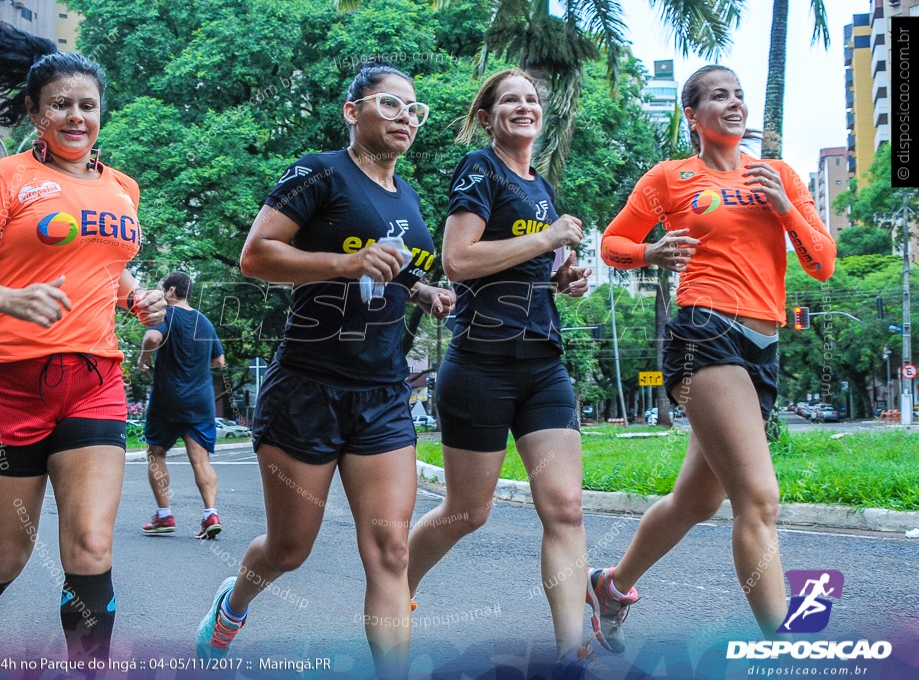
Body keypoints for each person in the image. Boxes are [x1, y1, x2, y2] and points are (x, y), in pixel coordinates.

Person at [194, 57, 454, 680]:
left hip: (383, 393)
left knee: (391, 553)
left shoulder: (407, 195)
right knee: (289, 549)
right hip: (307, 389)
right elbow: (256, 256)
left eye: (414, 109)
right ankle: (233, 604)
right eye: (390, 104)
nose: (406, 118)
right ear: (353, 111)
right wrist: (345, 265)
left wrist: (421, 290)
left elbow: (395, 263)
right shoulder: (320, 172)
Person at [0, 20, 165, 678]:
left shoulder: (123, 188)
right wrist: (7, 297)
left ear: (100, 114)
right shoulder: (5, 177)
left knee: (89, 544)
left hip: (94, 380)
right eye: (60, 104)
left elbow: (108, 265)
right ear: (34, 112)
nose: (76, 115)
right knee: (9, 555)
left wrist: (136, 296)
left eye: (87, 104)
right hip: (7, 384)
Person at [590, 65, 835, 652]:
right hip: (703, 332)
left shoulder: (778, 176)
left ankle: (611, 586)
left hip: (763, 342)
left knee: (698, 499)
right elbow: (611, 244)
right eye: (718, 96)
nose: (734, 104)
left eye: (739, 95)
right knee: (758, 498)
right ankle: (783, 645)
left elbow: (822, 263)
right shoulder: (670, 178)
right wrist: (652, 251)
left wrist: (786, 209)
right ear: (692, 116)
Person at [404, 68, 594, 680]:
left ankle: (571, 656)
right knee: (468, 512)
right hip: (481, 365)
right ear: (487, 117)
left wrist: (563, 277)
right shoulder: (479, 170)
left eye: (531, 99)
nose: (523, 106)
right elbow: (458, 261)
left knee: (565, 508)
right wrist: (546, 241)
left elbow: (532, 266)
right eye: (508, 99)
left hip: (543, 365)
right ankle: (392, 587)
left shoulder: (540, 186)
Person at [138, 271, 226, 539]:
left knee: (156, 454)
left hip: (168, 399)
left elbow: (152, 338)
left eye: (160, 288)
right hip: (201, 401)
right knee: (201, 460)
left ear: (171, 291)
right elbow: (219, 362)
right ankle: (210, 514)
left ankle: (164, 516)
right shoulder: (204, 321)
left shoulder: (165, 316)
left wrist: (143, 359)